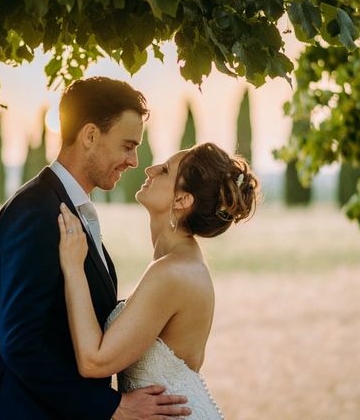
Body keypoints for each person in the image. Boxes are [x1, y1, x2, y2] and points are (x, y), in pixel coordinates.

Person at [0, 77, 191, 419]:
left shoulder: (65, 206)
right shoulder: (35, 212)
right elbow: (21, 342)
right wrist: (111, 407)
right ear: (90, 136)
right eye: (126, 146)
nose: (135, 161)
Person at [58, 142, 260, 419]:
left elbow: (94, 361)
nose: (150, 169)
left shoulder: (172, 273)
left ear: (181, 200)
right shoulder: (181, 263)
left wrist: (73, 267)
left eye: (165, 170)